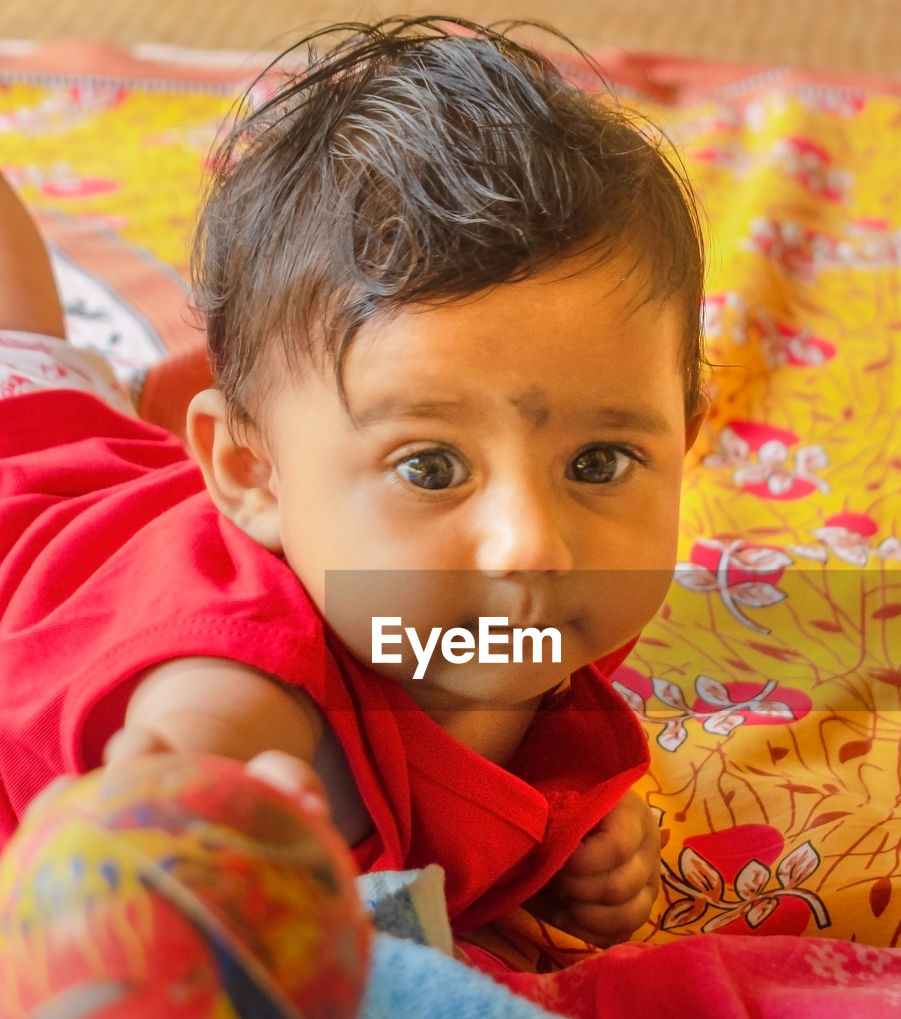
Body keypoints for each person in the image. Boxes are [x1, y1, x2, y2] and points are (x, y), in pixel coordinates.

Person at [0, 17, 707, 953]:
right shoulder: (243, 691)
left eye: (597, 463)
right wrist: (184, 809)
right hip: (31, 511)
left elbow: (506, 775)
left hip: (98, 473)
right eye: (430, 467)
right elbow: (191, 759)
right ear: (252, 474)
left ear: (684, 439)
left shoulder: (507, 610)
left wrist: (580, 839)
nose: (531, 541)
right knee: (24, 351)